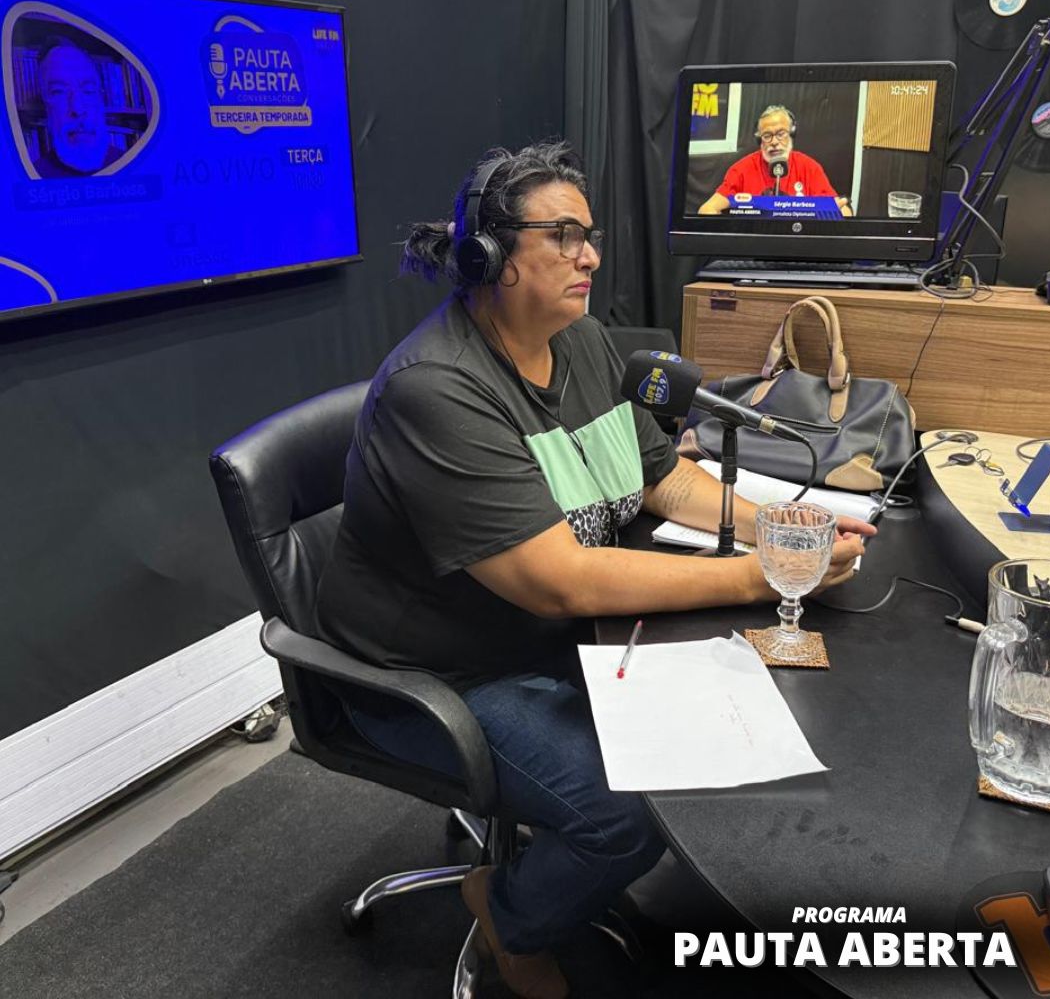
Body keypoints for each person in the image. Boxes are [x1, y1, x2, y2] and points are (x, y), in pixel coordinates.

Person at [315, 141, 873, 998]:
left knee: (730, 727)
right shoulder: (438, 389)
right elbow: (561, 582)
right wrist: (763, 574)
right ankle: (507, 911)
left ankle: (547, 878)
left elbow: (662, 479)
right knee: (630, 815)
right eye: (565, 236)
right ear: (490, 256)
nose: (592, 257)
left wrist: (785, 528)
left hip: (553, 638)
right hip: (440, 675)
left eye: (591, 236)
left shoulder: (582, 342)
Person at [697, 104, 853, 216]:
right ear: (760, 140)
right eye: (767, 136)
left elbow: (843, 210)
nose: (774, 142)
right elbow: (706, 209)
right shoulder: (741, 169)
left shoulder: (809, 167)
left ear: (792, 135)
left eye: (781, 134)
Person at [32, 40, 123, 178]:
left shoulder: (137, 166)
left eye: (88, 90)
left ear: (101, 99)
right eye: (58, 92)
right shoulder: (33, 178)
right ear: (45, 105)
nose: (77, 108)